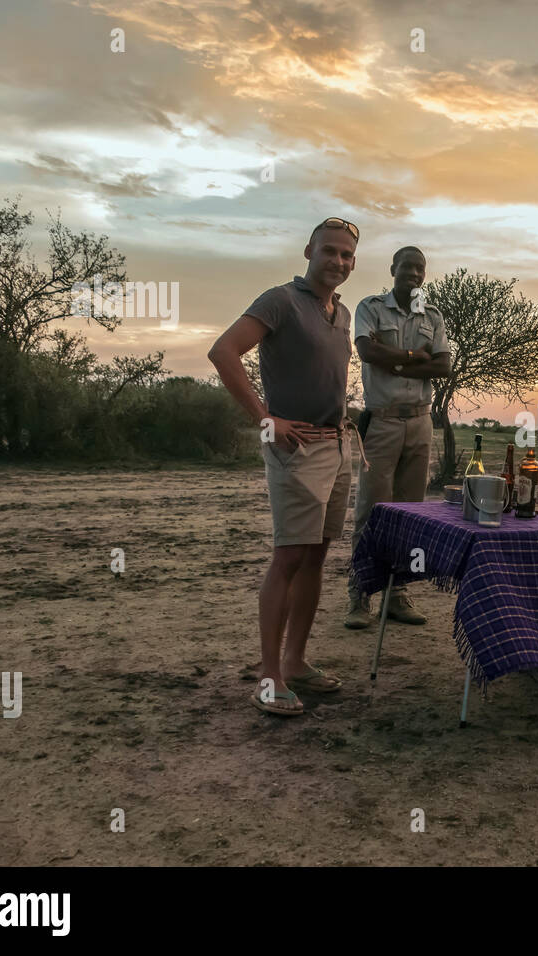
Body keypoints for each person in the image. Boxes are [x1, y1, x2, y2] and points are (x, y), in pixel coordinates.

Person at [208, 217, 360, 716]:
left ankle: (296, 663)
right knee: (289, 558)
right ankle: (269, 676)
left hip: (338, 447)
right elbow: (223, 351)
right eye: (329, 251)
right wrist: (265, 418)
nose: (338, 261)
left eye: (346, 255)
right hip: (296, 450)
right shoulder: (280, 300)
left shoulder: (342, 313)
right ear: (308, 252)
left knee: (317, 556)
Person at [344, 246, 451, 629]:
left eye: (420, 268)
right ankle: (360, 594)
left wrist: (401, 360)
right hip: (383, 422)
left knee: (411, 513)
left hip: (420, 423)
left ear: (424, 274)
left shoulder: (433, 316)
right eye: (407, 266)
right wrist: (413, 356)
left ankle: (397, 594)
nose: (413, 273)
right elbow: (368, 352)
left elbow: (443, 365)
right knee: (372, 512)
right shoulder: (370, 307)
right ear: (393, 269)